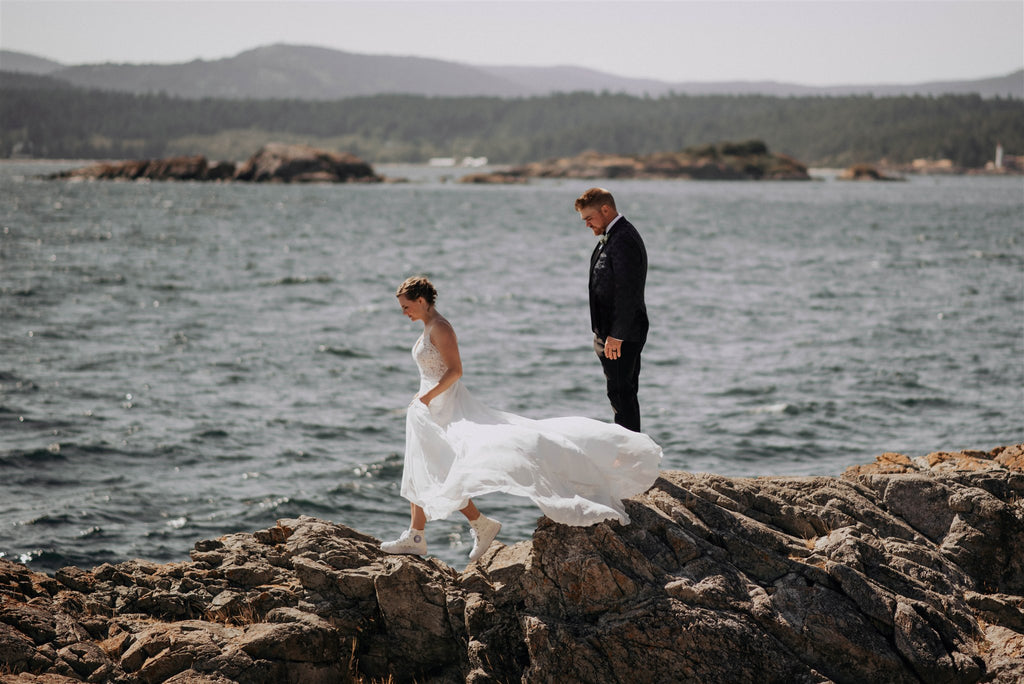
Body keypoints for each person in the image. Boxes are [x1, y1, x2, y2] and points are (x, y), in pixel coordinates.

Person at [380, 275, 662, 562]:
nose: (404, 312)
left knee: (450, 464)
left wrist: (427, 398)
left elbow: (455, 371)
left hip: (443, 405)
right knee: (426, 464)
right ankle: (438, 531)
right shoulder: (428, 327)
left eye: (406, 306)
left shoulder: (440, 328)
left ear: (421, 301)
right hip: (428, 404)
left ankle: (453, 529)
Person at [576, 188, 649, 432]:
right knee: (621, 393)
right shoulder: (613, 235)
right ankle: (631, 453)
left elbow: (628, 292)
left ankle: (630, 457)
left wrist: (616, 336)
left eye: (589, 218)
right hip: (612, 335)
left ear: (605, 210)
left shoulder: (624, 238)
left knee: (621, 394)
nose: (587, 224)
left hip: (620, 337)